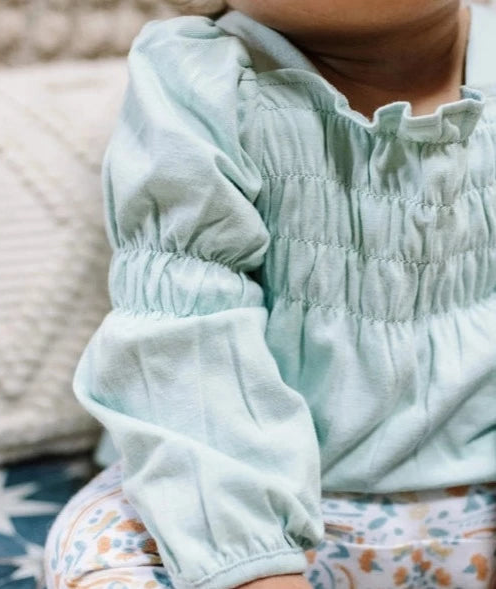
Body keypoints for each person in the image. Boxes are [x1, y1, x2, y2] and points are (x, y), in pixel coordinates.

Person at [44, 0, 496, 587]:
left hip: (477, 504)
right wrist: (248, 561)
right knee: (100, 555)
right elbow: (186, 337)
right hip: (253, 503)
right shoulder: (203, 81)